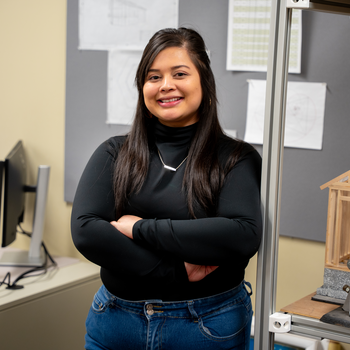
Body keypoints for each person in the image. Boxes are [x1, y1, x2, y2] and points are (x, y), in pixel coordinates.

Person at [71, 27, 262, 350]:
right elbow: (87, 231)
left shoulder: (235, 158)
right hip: (116, 322)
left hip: (204, 327)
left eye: (179, 73)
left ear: (204, 81)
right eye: (153, 77)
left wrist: (139, 228)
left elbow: (240, 235)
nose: (166, 85)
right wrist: (175, 272)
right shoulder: (114, 152)